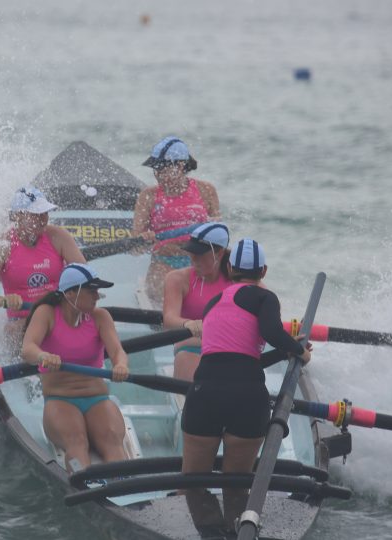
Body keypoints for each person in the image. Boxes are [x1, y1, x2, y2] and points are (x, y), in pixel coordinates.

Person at [180, 238, 312, 530]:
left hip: (206, 393)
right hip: (247, 398)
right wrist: (299, 350)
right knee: (237, 486)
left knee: (193, 483)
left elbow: (231, 356)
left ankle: (210, 533)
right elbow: (269, 333)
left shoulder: (213, 303)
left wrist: (285, 348)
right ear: (263, 271)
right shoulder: (265, 298)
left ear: (229, 267)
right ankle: (238, 532)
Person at [21, 263, 130, 472]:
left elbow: (117, 351)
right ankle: (83, 483)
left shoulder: (101, 317)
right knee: (77, 443)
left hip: (97, 398)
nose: (97, 297)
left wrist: (121, 365)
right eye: (92, 291)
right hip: (60, 399)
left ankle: (125, 487)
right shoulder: (47, 313)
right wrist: (43, 355)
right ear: (71, 293)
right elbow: (28, 349)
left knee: (112, 442)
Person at [0, 186, 86, 350]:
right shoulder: (2, 245)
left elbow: (86, 277)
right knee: (14, 331)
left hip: (58, 313)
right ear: (18, 216)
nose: (44, 219)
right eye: (36, 214)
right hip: (22, 321)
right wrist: (3, 301)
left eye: (45, 212)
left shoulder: (58, 236)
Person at [133, 136, 221, 305]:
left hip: (201, 263)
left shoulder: (206, 191)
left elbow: (219, 236)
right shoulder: (148, 196)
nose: (157, 174)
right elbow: (136, 244)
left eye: (161, 169)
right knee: (168, 294)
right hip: (164, 262)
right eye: (154, 169)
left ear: (180, 166)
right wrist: (144, 238)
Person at [162, 222, 231, 382]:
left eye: (199, 254)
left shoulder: (237, 279)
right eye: (191, 252)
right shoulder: (177, 279)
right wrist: (188, 324)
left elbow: (267, 302)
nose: (193, 259)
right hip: (192, 347)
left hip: (230, 351)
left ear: (219, 253)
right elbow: (169, 319)